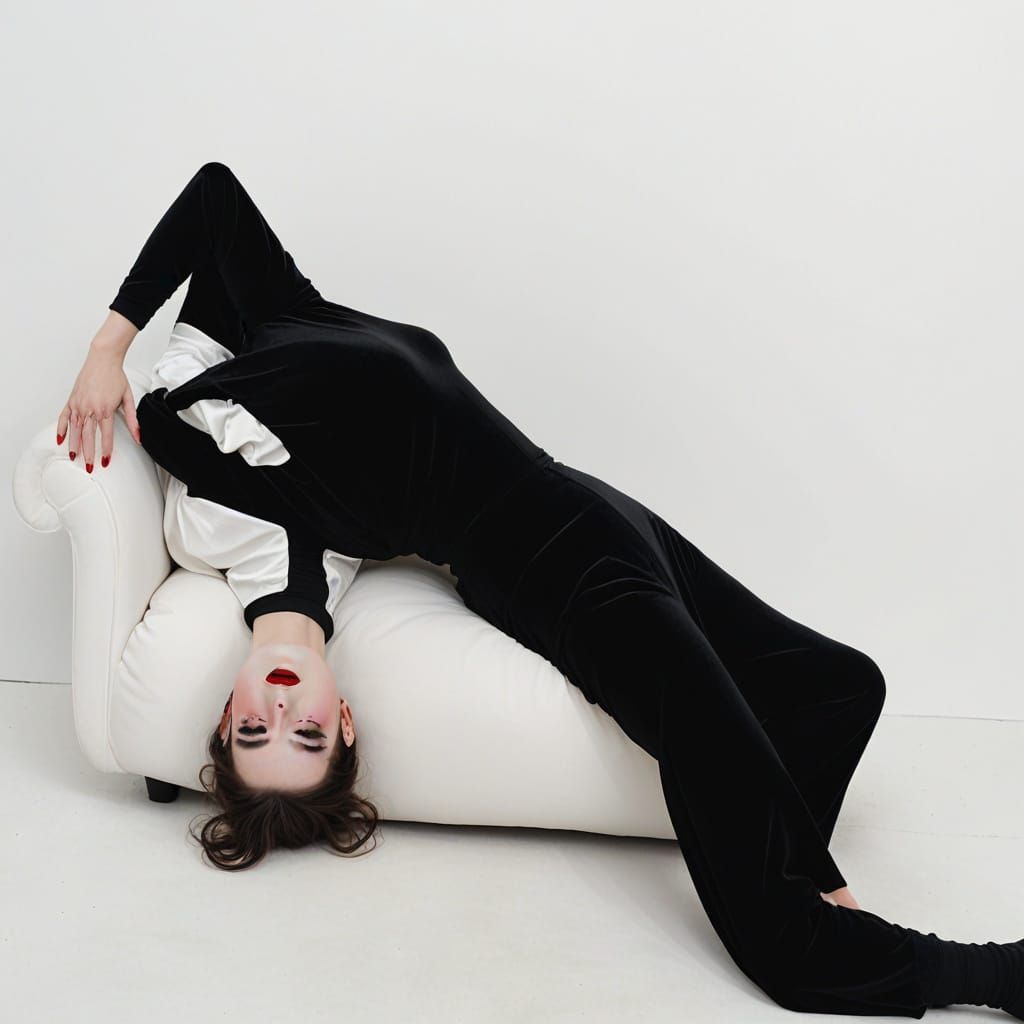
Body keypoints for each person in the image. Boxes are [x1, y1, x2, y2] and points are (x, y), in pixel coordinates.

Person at [56, 162, 1024, 1016]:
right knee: (708, 754)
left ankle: (797, 856)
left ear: (227, 714)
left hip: (595, 505)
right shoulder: (232, 467)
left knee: (837, 689)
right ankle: (948, 965)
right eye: (305, 737)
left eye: (258, 732)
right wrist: (806, 868)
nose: (279, 714)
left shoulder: (279, 316)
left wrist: (109, 345)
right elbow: (188, 452)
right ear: (342, 720)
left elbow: (214, 199)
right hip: (547, 568)